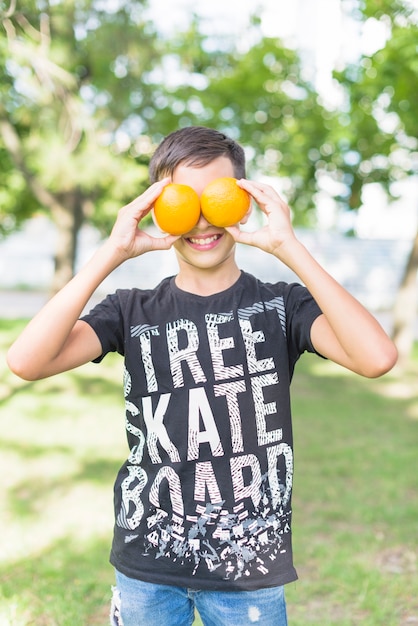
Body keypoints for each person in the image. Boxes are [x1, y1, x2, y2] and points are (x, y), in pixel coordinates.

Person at [7, 126, 397, 626]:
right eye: (183, 203)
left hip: (247, 570)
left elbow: (377, 357)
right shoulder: (130, 311)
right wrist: (113, 251)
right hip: (147, 562)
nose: (201, 222)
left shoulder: (282, 305)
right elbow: (26, 360)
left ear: (242, 200)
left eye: (216, 200)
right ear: (158, 206)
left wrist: (288, 246)